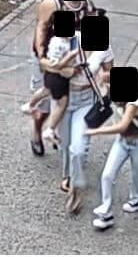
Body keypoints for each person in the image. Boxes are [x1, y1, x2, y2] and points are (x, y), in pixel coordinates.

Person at [29, 0, 98, 156]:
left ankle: (56, 133)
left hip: (70, 61)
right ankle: (36, 133)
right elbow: (41, 28)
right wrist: (42, 59)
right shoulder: (52, 3)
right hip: (50, 57)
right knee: (44, 105)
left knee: (65, 102)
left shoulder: (86, 5)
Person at [55, 32, 113, 213]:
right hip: (63, 98)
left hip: (86, 100)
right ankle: (68, 175)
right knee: (65, 143)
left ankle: (75, 187)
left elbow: (110, 71)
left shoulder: (104, 46)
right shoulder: (65, 42)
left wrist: (104, 78)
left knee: (78, 148)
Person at [87, 72, 138, 230]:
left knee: (137, 174)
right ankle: (106, 212)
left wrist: (95, 131)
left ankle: (137, 199)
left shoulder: (134, 104)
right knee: (107, 174)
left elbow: (122, 126)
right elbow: (103, 79)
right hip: (122, 142)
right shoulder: (118, 96)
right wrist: (103, 78)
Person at [22, 31, 79, 145]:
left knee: (45, 90)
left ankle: (29, 105)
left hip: (49, 74)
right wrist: (71, 55)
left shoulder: (54, 39)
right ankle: (50, 130)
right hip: (59, 77)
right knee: (61, 103)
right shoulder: (62, 44)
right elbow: (59, 65)